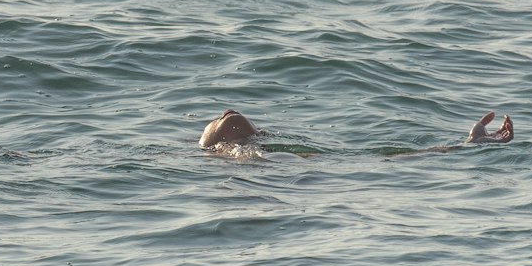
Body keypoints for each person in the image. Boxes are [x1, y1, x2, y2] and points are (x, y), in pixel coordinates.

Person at [0, 108, 514, 157]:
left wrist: (461, 149)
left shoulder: (285, 156)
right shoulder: (173, 159)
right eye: (214, 113)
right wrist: (9, 156)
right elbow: (80, 162)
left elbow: (384, 161)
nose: (225, 108)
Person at [197, 107, 513, 152]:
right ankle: (471, 145)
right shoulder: (239, 153)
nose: (225, 112)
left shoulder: (247, 152)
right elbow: (232, 120)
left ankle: (471, 145)